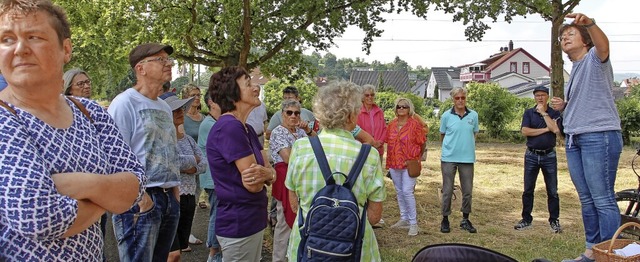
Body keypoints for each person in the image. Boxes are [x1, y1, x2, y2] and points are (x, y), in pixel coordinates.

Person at [0, 1, 145, 260]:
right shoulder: (4, 119)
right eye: (7, 39)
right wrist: (108, 196)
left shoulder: (91, 113)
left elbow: (135, 187)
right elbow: (39, 216)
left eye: (34, 37)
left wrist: (80, 183)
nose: (20, 49)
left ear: (65, 49)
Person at [286, 81, 386, 261]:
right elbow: (374, 216)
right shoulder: (368, 155)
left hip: (307, 247)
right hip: (355, 249)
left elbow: (294, 205)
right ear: (351, 116)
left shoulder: (301, 148)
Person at [551, 13, 623, 262]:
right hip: (574, 139)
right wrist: (566, 105)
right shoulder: (576, 69)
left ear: (586, 41)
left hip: (598, 135)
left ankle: (610, 256)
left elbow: (604, 47)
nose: (564, 38)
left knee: (603, 199)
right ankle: (592, 252)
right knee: (587, 199)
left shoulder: (594, 58)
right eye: (562, 37)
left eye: (570, 34)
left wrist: (590, 24)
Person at [108, 43, 182, 261]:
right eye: (160, 60)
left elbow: (170, 149)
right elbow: (114, 156)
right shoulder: (124, 103)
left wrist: (175, 192)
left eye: (168, 60)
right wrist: (141, 198)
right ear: (141, 68)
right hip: (140, 201)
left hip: (168, 199)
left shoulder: (164, 107)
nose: (168, 64)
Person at [206, 66, 276, 262]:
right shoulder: (230, 128)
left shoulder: (247, 129)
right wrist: (267, 174)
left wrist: (268, 174)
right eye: (248, 84)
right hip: (239, 224)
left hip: (250, 221)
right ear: (232, 93)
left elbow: (268, 173)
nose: (256, 88)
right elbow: (254, 184)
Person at [162, 93, 206, 261]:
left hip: (189, 195)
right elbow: (172, 162)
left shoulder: (187, 140)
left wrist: (189, 167)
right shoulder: (164, 139)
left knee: (180, 246)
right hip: (172, 196)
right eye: (175, 111)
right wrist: (191, 162)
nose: (181, 112)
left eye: (181, 109)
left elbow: (203, 164)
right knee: (170, 251)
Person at [514, 85, 563, 233]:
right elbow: (525, 131)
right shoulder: (528, 113)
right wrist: (545, 129)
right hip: (531, 155)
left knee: (552, 190)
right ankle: (526, 219)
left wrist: (544, 114)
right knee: (528, 189)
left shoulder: (554, 113)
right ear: (534, 97)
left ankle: (554, 220)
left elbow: (555, 129)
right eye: (537, 95)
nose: (540, 98)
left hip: (549, 155)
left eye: (542, 95)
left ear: (547, 96)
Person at [269, 100, 311, 262]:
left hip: (302, 180)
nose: (293, 116)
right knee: (284, 222)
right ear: (282, 115)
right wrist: (308, 154)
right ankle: (279, 259)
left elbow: (318, 147)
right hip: (285, 180)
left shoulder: (301, 132)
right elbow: (288, 158)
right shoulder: (278, 132)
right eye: (289, 112)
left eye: (297, 113)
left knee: (301, 220)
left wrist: (308, 130)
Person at [439, 87, 479, 234]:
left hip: (467, 159)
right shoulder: (446, 116)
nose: (460, 100)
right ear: (453, 100)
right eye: (457, 98)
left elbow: (474, 133)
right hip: (449, 158)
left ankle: (465, 219)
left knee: (467, 190)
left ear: (466, 98)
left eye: (463, 97)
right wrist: (449, 149)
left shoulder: (473, 115)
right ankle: (445, 219)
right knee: (447, 190)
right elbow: (442, 135)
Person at [385, 97, 426, 236]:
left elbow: (422, 143)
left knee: (407, 191)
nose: (401, 109)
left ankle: (413, 223)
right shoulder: (391, 125)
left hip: (410, 163)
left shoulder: (415, 124)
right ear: (395, 109)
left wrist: (416, 158)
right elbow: (386, 141)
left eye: (405, 106)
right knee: (399, 191)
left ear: (410, 109)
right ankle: (404, 218)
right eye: (399, 107)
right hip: (394, 162)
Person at [197, 92, 223, 262]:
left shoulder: (215, 122)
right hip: (213, 177)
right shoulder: (209, 124)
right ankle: (213, 252)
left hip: (215, 176)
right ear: (212, 102)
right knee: (217, 213)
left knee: (219, 212)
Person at [357, 84, 387, 158]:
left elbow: (384, 129)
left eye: (372, 95)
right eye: (367, 95)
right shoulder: (358, 112)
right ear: (362, 97)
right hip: (364, 150)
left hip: (378, 150)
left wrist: (380, 142)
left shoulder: (379, 111)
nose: (370, 97)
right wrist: (372, 143)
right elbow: (356, 130)